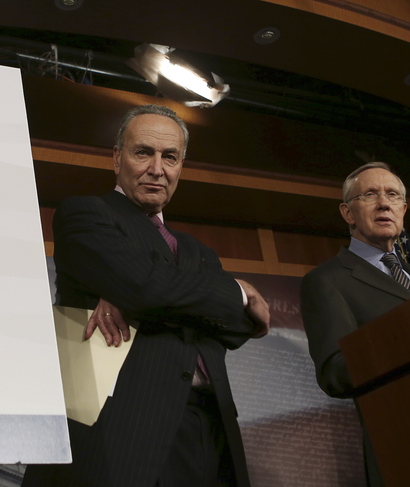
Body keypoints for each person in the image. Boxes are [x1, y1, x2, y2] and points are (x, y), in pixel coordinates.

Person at [23, 104, 270, 487]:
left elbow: (238, 327)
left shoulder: (199, 252)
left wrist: (143, 296)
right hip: (122, 427)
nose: (157, 168)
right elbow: (148, 287)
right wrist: (236, 290)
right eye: (144, 152)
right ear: (117, 158)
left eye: (170, 157)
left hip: (208, 427)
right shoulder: (85, 214)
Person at [300, 162, 410, 487]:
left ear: (403, 210)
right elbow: (335, 372)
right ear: (348, 212)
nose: (383, 203)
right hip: (405, 441)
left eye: (392, 195)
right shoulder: (327, 281)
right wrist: (408, 336)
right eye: (370, 195)